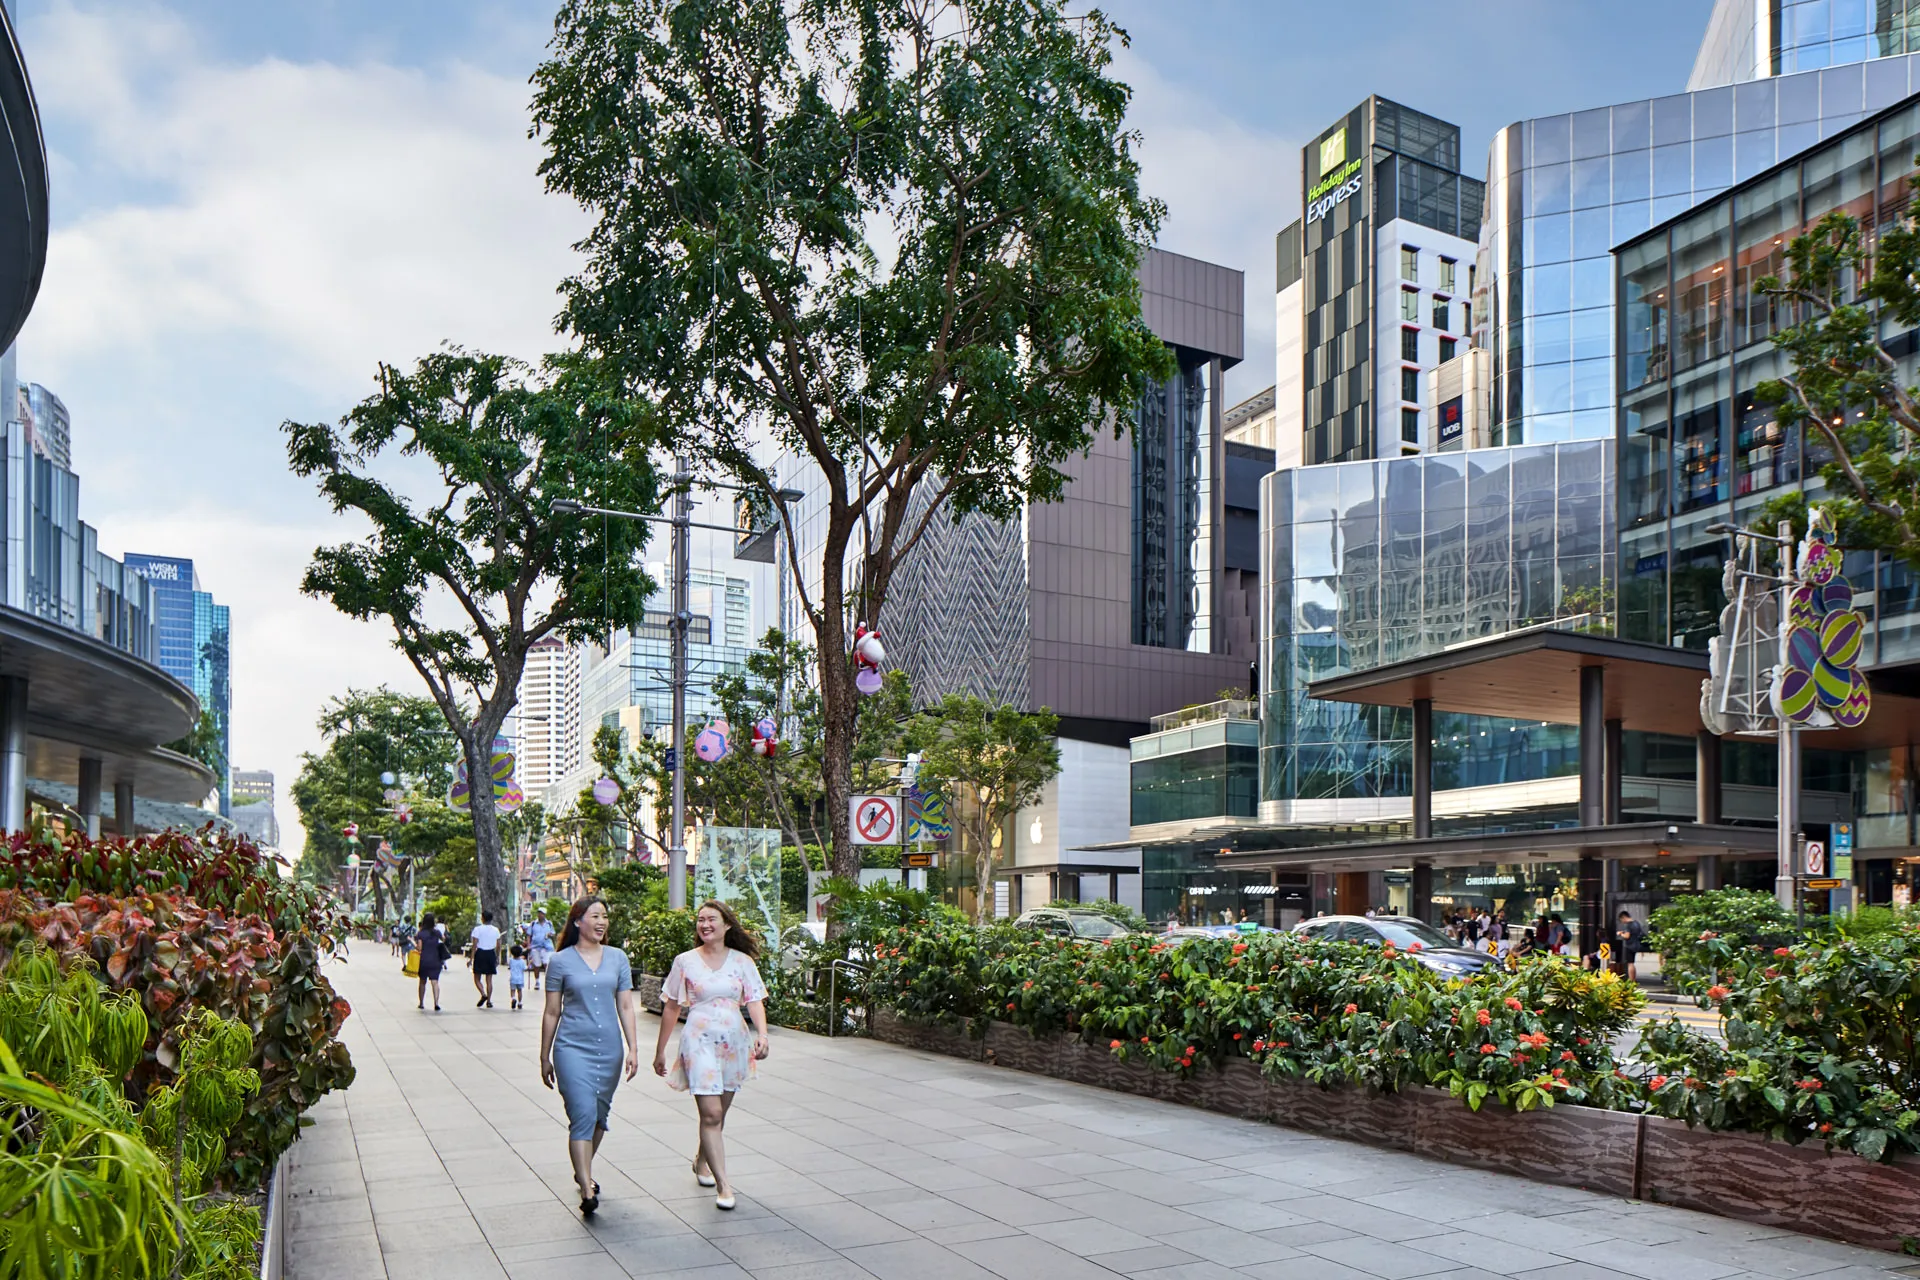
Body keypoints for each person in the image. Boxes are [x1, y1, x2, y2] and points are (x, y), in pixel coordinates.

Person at [653, 900, 770, 1212]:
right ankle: (724, 1185)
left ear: (726, 925)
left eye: (711, 919)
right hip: (698, 1042)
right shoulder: (685, 962)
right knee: (712, 1114)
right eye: (700, 920)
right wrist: (660, 1050)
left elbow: (755, 1000)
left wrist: (763, 1033)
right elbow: (672, 1007)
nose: (704, 925)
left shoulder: (743, 962)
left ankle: (702, 1160)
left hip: (734, 1044)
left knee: (720, 1113)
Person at [540, 897, 640, 1216]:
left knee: (598, 1117)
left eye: (605, 916)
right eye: (595, 915)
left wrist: (633, 1048)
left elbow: (625, 1005)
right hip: (571, 1048)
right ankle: (586, 1188)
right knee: (581, 1114)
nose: (602, 922)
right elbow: (552, 1011)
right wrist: (544, 1056)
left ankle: (581, 1169)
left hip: (609, 1049)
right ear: (578, 921)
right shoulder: (560, 961)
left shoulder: (618, 958)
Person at [415, 913, 448, 1011]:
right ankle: (436, 1003)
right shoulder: (436, 932)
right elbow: (444, 939)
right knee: (435, 982)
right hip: (436, 959)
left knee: (422, 982)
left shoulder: (420, 933)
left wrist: (414, 944)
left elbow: (419, 948)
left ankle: (421, 1003)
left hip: (424, 960)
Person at [471, 911, 502, 1008]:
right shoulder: (496, 930)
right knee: (489, 979)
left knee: (477, 978)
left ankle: (483, 993)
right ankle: (489, 1001)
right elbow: (499, 945)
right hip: (490, 953)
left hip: (480, 953)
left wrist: (471, 958)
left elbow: (474, 945)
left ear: (482, 918)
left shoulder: (477, 929)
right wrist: (497, 956)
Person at [1614, 910, 1646, 981]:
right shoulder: (1636, 923)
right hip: (1636, 945)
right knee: (1632, 963)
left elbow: (1627, 936)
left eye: (1621, 920)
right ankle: (1633, 979)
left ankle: (1631, 980)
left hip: (1630, 946)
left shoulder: (1629, 925)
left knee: (1630, 963)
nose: (1622, 922)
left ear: (1623, 917)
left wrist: (1620, 934)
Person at [528, 915, 556, 991]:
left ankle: (548, 981)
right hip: (535, 947)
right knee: (536, 965)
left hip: (547, 947)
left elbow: (553, 933)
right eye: (539, 913)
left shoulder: (549, 923)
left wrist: (550, 934)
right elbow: (529, 935)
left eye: (542, 913)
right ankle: (537, 981)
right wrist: (528, 945)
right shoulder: (533, 923)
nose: (541, 915)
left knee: (547, 964)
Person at [508, 944, 528, 1011]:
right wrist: (530, 964)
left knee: (512, 990)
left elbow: (510, 967)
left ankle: (513, 998)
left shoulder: (511, 960)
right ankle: (520, 1003)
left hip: (513, 978)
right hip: (520, 979)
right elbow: (525, 968)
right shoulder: (522, 962)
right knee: (519, 991)